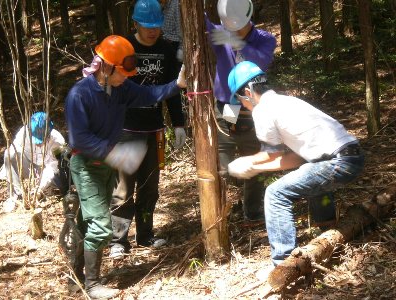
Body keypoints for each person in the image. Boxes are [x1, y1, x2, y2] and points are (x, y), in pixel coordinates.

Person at [64, 35, 186, 299]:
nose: (127, 78)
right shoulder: (79, 95)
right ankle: (92, 284)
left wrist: (177, 84)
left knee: (87, 223)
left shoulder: (121, 88)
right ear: (106, 68)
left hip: (106, 167)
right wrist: (116, 153)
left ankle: (75, 279)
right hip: (86, 167)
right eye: (123, 73)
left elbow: (149, 93)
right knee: (100, 225)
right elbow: (79, 138)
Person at [226, 61, 365, 266]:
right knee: (312, 175)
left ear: (248, 91)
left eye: (240, 99)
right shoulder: (286, 101)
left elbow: (271, 155)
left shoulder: (263, 109)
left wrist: (248, 162)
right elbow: (295, 159)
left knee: (275, 194)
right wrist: (255, 166)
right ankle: (329, 233)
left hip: (338, 162)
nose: (242, 104)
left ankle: (284, 262)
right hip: (352, 157)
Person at [109, 0, 186, 259]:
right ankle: (118, 240)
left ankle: (145, 234)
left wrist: (178, 123)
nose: (153, 31)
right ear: (136, 23)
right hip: (125, 130)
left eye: (157, 26)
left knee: (150, 187)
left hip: (153, 128)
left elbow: (173, 89)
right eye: (147, 26)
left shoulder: (166, 49)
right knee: (122, 189)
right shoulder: (125, 48)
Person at [204, 0, 277, 223]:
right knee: (223, 162)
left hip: (252, 106)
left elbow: (260, 61)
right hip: (228, 106)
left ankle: (253, 212)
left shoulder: (265, 39)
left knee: (254, 159)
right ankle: (219, 214)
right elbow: (200, 23)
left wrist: (235, 43)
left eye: (238, 27)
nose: (233, 30)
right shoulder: (221, 32)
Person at [0, 112, 67, 213]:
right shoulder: (23, 132)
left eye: (42, 140)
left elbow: (53, 168)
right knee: (10, 153)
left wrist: (39, 188)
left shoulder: (58, 141)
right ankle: (15, 196)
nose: (38, 144)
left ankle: (47, 190)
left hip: (47, 170)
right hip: (30, 166)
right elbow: (14, 153)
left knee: (60, 175)